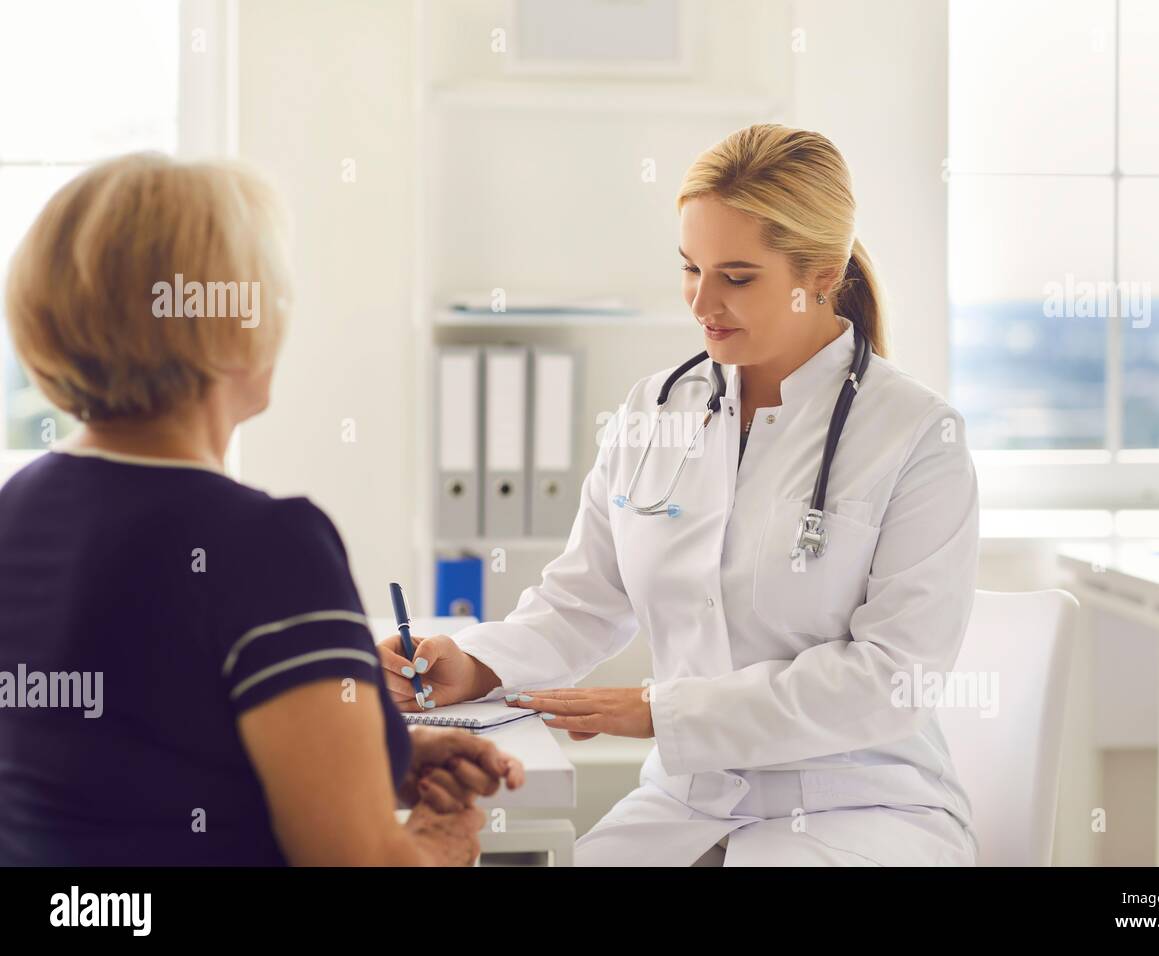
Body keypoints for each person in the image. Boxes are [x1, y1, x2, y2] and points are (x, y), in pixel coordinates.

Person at [380, 124, 981, 866]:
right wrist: (473, 666)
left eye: (737, 276)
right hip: (686, 803)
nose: (702, 302)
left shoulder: (917, 436)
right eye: (690, 268)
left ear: (821, 273)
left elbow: (892, 679)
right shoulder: (654, 412)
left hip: (862, 806)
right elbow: (581, 602)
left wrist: (663, 709)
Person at [0, 153, 521, 865]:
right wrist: (433, 846)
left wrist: (381, 751)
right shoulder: (268, 545)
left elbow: (119, 762)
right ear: (229, 325)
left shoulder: (17, 512)